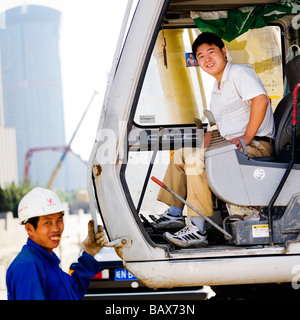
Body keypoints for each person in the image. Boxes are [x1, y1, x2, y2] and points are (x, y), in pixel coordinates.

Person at [152, 32, 275, 248]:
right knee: (184, 154)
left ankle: (197, 230)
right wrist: (202, 150)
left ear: (224, 52)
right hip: (233, 148)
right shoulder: (217, 90)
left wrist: (246, 136)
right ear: (197, 62)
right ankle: (174, 214)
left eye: (211, 52)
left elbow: (261, 100)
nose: (207, 59)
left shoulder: (238, 73)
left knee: (196, 161)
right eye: (201, 56)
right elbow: (213, 130)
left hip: (255, 146)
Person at [6, 187, 107, 300]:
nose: (56, 228)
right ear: (29, 228)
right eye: (47, 222)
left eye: (59, 221)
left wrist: (88, 254)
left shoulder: (46, 261)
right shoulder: (29, 266)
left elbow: (71, 292)